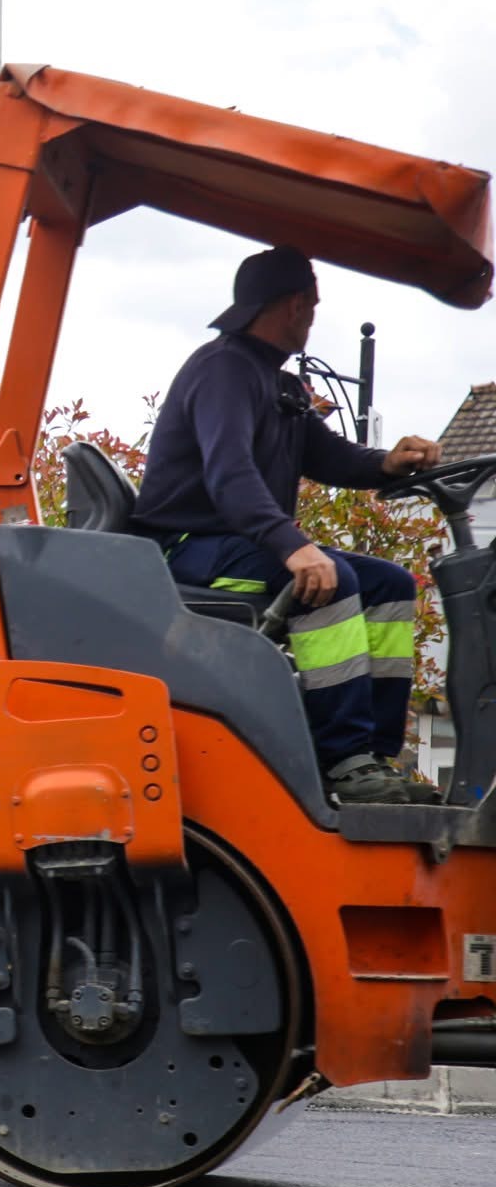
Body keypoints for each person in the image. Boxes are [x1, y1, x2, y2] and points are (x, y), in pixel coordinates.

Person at [131, 245, 443, 806]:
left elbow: (327, 456)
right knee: (330, 584)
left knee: (389, 585)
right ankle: (343, 762)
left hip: (235, 544)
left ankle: (374, 758)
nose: (314, 318)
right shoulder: (222, 370)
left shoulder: (279, 383)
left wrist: (386, 462)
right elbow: (230, 476)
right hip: (184, 549)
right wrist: (291, 546)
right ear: (297, 304)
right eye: (314, 306)